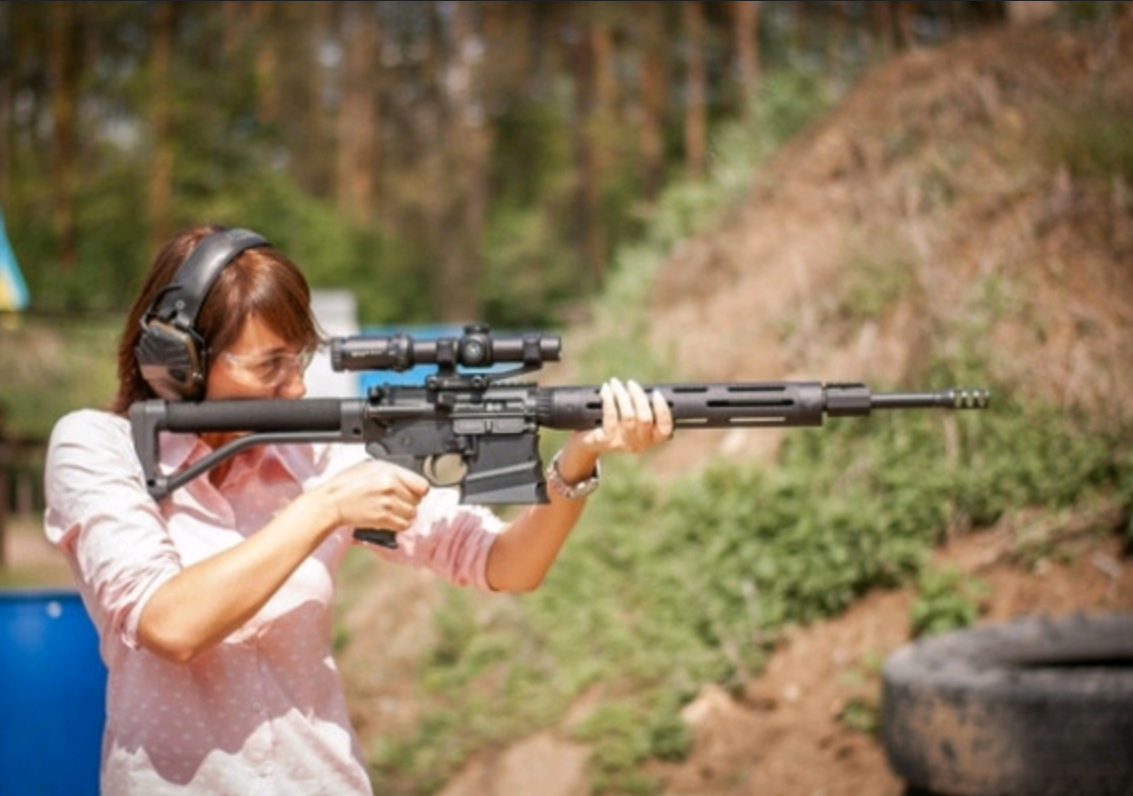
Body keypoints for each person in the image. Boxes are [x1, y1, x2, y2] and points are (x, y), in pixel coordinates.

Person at [43, 224, 674, 795]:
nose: (294, 388)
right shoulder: (97, 447)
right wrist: (322, 510)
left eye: (300, 360)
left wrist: (580, 459)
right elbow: (170, 625)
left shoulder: (314, 456)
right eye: (270, 365)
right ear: (178, 363)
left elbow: (506, 564)